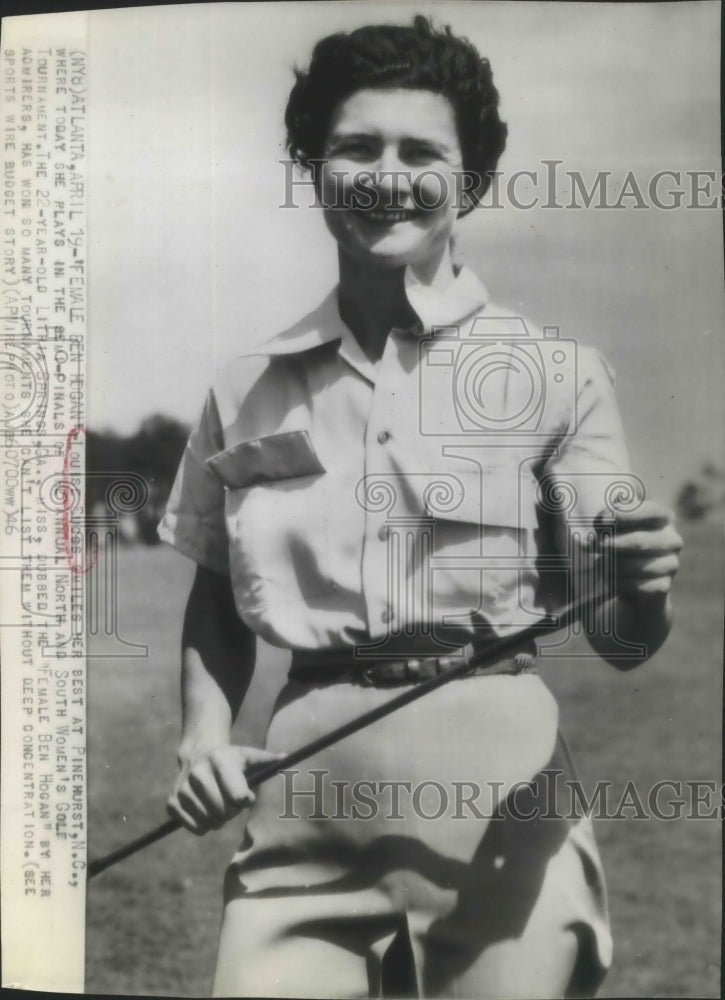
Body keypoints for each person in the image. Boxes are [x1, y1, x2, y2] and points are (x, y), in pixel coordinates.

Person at [158, 16, 682, 999]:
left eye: (420, 151)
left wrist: (641, 588)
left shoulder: (554, 372)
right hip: (300, 809)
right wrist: (200, 734)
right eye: (355, 146)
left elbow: (618, 633)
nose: (385, 174)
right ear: (311, 167)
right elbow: (219, 600)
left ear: (469, 182)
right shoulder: (245, 388)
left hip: (504, 820)